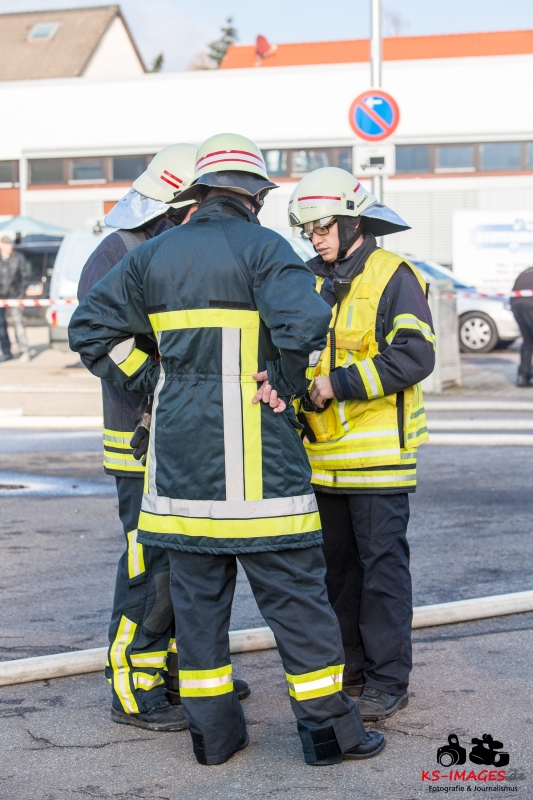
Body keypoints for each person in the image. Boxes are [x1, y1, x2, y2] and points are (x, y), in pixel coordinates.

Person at [69, 132, 386, 767]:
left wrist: (149, 377)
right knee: (297, 603)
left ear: (199, 192)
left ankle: (214, 738)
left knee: (198, 612)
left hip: (182, 478)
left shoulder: (152, 255)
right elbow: (306, 322)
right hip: (262, 473)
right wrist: (286, 382)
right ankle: (328, 733)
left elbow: (89, 328)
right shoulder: (266, 248)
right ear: (255, 196)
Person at [77, 143, 250, 734]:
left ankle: (181, 671)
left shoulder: (173, 246)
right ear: (176, 205)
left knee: (187, 565)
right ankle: (135, 686)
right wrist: (158, 380)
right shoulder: (117, 254)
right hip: (139, 442)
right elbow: (102, 341)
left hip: (183, 438)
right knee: (148, 567)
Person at [288, 167, 435, 722]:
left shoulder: (394, 275)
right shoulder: (308, 278)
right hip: (321, 461)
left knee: (382, 574)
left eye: (323, 227)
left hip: (377, 461)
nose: (316, 238)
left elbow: (415, 355)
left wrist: (339, 384)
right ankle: (350, 671)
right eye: (308, 230)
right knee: (337, 573)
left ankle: (387, 680)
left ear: (353, 222)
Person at [0, 236, 30, 363]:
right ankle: (6, 352)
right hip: (1, 297)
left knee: (18, 324)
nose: (9, 246)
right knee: (1, 325)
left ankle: (24, 350)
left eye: (10, 244)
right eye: (6, 244)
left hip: (15, 296)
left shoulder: (18, 258)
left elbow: (24, 277)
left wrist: (20, 296)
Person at [510, 266, 533, 387]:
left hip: (516, 306)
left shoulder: (525, 272)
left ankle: (522, 377)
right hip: (530, 305)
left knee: (528, 341)